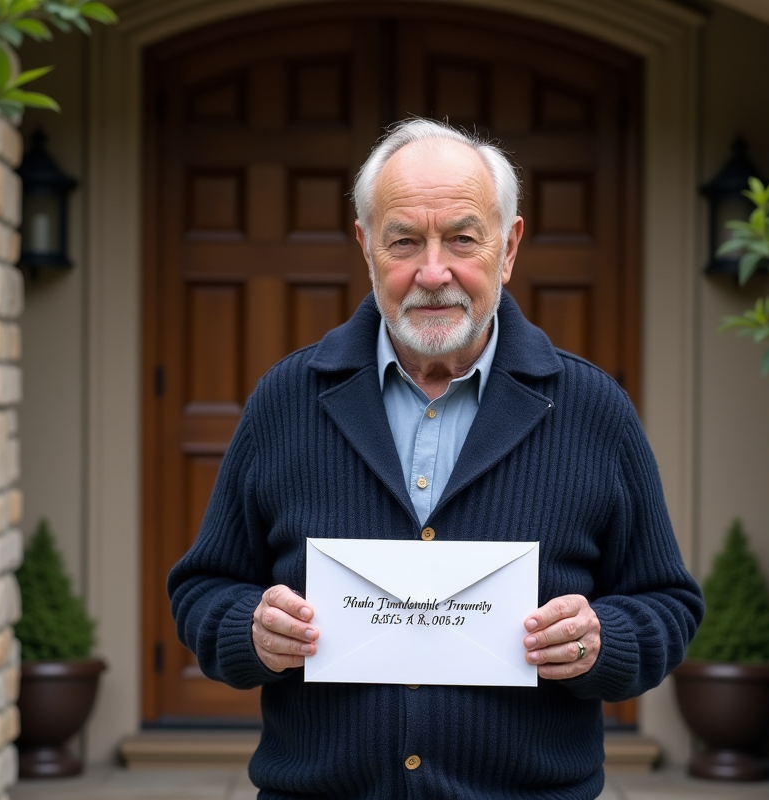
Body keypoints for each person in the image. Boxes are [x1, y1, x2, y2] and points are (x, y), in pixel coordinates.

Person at [168, 119, 704, 800]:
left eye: (461, 238)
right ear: (366, 248)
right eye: (404, 241)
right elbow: (202, 590)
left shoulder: (592, 409)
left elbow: (668, 604)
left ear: (508, 248)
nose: (432, 272)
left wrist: (604, 641)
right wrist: (249, 630)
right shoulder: (288, 399)